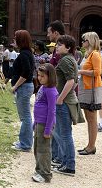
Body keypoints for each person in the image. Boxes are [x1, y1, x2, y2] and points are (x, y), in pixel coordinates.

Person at [52, 35, 78, 176]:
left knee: (64, 135)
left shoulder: (65, 60)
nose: (57, 46)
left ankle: (69, 166)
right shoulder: (70, 59)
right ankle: (65, 162)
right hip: (68, 101)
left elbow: (70, 81)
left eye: (60, 45)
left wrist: (60, 98)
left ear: (68, 47)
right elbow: (75, 81)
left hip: (64, 103)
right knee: (62, 133)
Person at [77, 32, 102, 155]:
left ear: (90, 41)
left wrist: (81, 71)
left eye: (84, 40)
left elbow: (97, 72)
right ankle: (89, 145)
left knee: (92, 119)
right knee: (89, 118)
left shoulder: (95, 54)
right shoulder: (87, 54)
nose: (82, 42)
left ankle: (91, 146)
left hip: (92, 89)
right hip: (87, 88)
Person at [32, 63, 58, 183]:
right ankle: (39, 170)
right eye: (39, 75)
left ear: (50, 76)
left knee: (44, 150)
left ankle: (45, 174)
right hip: (39, 123)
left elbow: (52, 111)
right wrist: (35, 123)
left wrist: (48, 130)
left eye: (42, 76)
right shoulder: (43, 87)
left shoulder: (51, 91)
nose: (39, 78)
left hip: (45, 125)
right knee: (37, 148)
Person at [10, 30, 35, 152]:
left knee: (25, 117)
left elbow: (26, 73)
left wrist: (15, 86)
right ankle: (24, 140)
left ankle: (25, 144)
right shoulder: (26, 52)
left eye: (16, 38)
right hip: (25, 87)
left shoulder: (24, 54)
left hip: (24, 87)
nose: (13, 39)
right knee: (25, 116)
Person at [46, 20, 65, 167]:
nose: (48, 35)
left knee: (57, 125)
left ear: (56, 33)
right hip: (55, 89)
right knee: (54, 124)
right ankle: (55, 155)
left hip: (58, 91)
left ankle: (58, 157)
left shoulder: (61, 50)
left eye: (49, 32)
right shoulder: (57, 49)